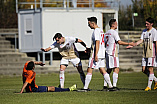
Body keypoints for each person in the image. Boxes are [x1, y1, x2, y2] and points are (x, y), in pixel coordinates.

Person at [82, 17, 114, 91]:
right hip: (102, 53)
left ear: (93, 23)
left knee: (89, 69)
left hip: (97, 53)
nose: (88, 25)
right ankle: (111, 86)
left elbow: (97, 42)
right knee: (102, 70)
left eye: (89, 23)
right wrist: (90, 49)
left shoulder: (96, 31)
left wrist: (95, 54)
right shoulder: (101, 30)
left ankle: (85, 88)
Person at [127, 17, 157, 91]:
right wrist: (133, 45)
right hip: (145, 52)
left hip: (151, 53)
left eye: (148, 24)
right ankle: (156, 80)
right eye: (145, 23)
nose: (146, 25)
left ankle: (149, 86)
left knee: (150, 69)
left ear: (151, 24)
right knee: (143, 70)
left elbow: (156, 42)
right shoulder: (144, 31)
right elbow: (141, 40)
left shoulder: (154, 31)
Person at [104, 19, 134, 91]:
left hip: (107, 52)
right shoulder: (114, 32)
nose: (117, 25)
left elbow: (104, 43)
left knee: (108, 70)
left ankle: (105, 86)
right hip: (112, 53)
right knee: (116, 68)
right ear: (113, 25)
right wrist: (129, 43)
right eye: (116, 24)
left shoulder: (106, 33)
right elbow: (119, 42)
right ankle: (114, 86)